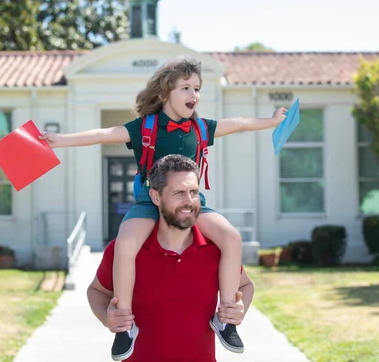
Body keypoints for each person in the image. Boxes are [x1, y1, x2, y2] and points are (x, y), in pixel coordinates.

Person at [41, 58, 286, 360]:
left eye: (196, 88)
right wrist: (59, 141)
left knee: (231, 237)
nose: (193, 94)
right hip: (149, 199)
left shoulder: (200, 128)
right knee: (127, 240)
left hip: (193, 202)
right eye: (185, 87)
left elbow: (240, 124)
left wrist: (272, 121)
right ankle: (125, 326)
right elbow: (103, 134)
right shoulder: (145, 127)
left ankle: (224, 320)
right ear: (164, 93)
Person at [87, 154, 255, 361]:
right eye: (179, 193)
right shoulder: (125, 249)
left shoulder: (216, 250)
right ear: (156, 197)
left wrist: (238, 311)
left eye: (194, 192)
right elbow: (96, 291)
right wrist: (108, 318)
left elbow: (246, 286)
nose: (189, 201)